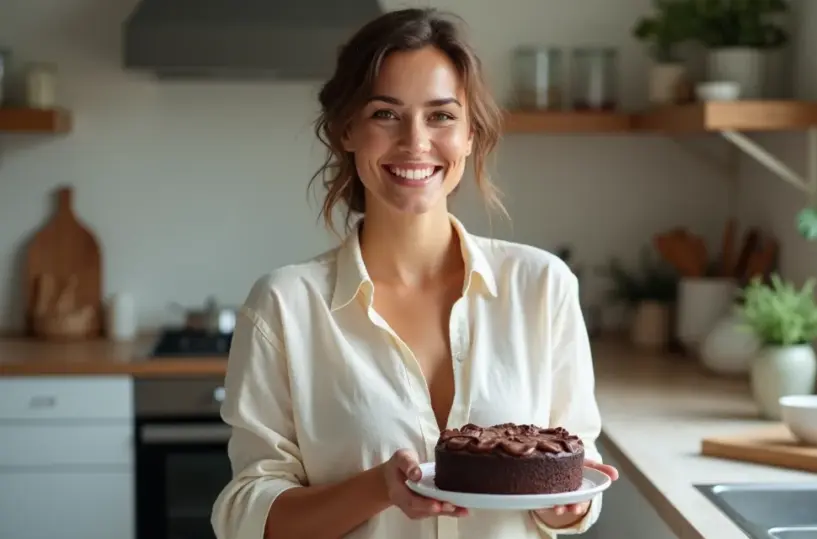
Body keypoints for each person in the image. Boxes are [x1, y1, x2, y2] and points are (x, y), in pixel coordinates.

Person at [210, 7, 618, 539]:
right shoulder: (284, 306)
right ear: (346, 130)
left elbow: (575, 473)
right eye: (385, 113)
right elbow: (246, 513)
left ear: (471, 134)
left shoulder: (542, 287)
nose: (415, 141)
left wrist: (569, 507)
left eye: (441, 116)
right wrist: (378, 488)